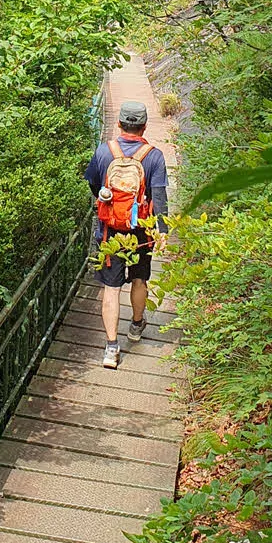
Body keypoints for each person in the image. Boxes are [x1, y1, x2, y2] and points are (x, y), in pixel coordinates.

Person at [85, 99, 168, 369]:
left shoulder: (103, 151)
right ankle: (135, 326)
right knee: (140, 279)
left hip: (110, 232)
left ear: (119, 123)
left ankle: (111, 348)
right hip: (140, 231)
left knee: (111, 289)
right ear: (144, 126)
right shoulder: (153, 156)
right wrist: (162, 230)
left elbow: (95, 187)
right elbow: (159, 196)